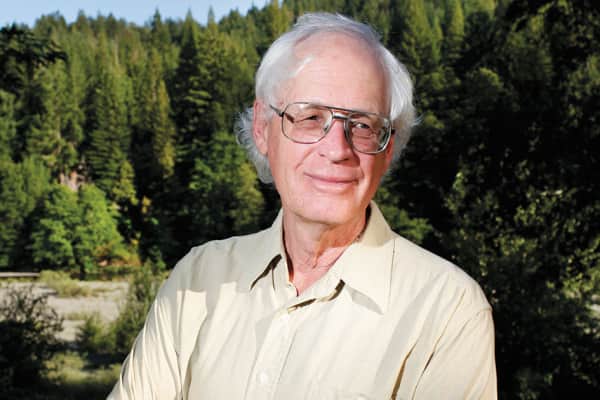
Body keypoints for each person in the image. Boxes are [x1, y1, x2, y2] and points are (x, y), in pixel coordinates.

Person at [109, 12, 497, 400]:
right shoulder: (197, 279)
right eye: (311, 117)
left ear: (388, 148)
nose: (337, 149)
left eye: (363, 125)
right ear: (262, 128)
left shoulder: (448, 310)